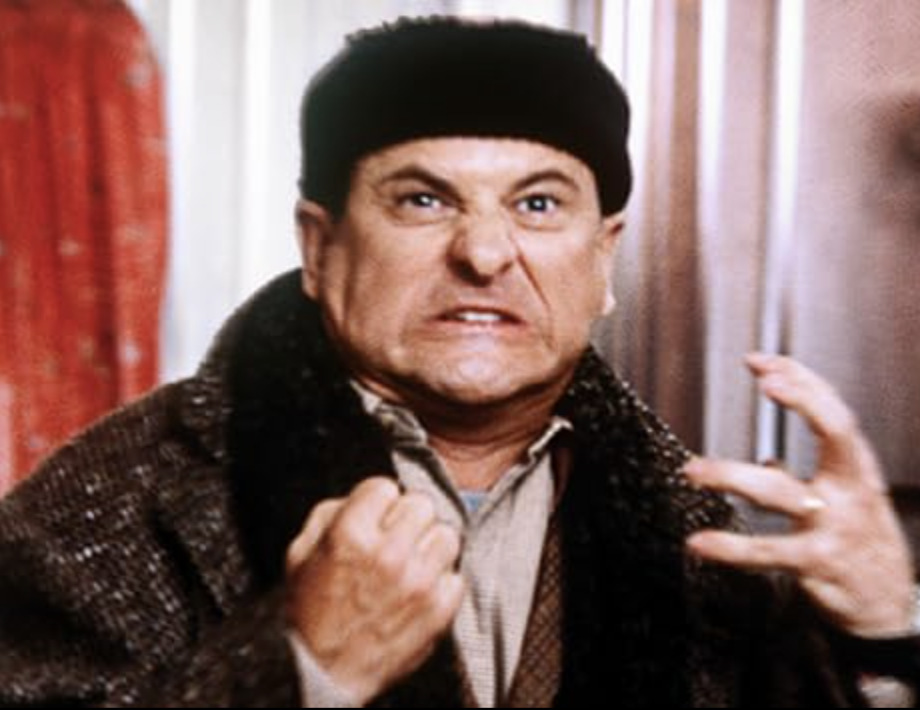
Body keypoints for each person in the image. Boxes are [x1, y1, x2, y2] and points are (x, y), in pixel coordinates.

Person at [0, 16, 917, 708]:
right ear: (319, 248)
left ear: (603, 260)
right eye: (424, 200)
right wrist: (298, 670)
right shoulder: (116, 496)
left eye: (539, 205)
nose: (484, 253)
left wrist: (888, 630)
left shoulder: (708, 538)